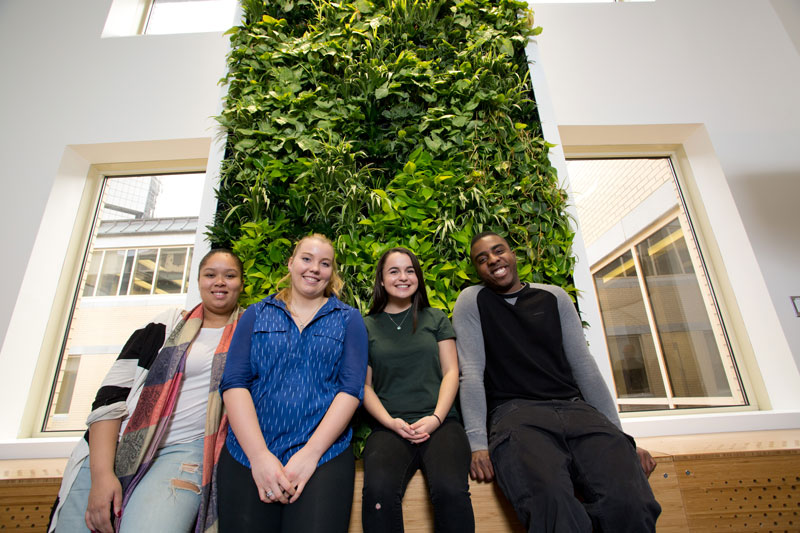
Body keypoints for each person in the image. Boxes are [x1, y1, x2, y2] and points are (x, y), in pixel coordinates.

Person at [453, 231, 661, 532]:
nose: (493, 261)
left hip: (577, 411)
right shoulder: (473, 300)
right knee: (551, 504)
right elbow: (470, 371)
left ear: (513, 254)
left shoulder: (554, 296)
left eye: (499, 251)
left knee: (631, 502)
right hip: (517, 415)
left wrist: (620, 436)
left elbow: (584, 367)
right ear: (478, 270)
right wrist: (477, 444)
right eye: (482, 260)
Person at [50, 248, 245, 533]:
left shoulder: (249, 334)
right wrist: (103, 476)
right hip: (119, 445)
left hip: (185, 452)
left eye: (229, 275)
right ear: (199, 280)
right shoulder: (164, 326)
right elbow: (109, 399)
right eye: (210, 274)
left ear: (241, 283)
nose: (220, 282)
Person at [217, 233, 368, 533]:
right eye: (306, 259)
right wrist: (259, 457)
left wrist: (310, 454)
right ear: (291, 263)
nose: (314, 268)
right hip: (248, 454)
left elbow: (351, 389)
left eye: (324, 263)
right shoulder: (256, 314)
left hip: (323, 456)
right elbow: (234, 382)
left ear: (332, 272)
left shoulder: (349, 320)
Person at [361, 248, 474, 533]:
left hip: (440, 423)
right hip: (390, 427)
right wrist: (390, 423)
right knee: (378, 493)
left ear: (418, 277)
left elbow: (451, 372)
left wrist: (436, 418)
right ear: (382, 280)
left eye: (410, 270)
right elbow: (364, 386)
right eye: (394, 271)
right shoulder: (366, 326)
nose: (403, 277)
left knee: (451, 491)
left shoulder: (435, 318)